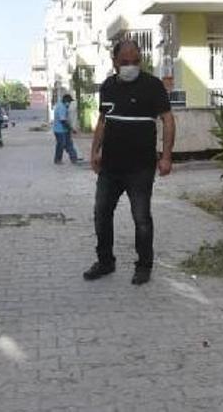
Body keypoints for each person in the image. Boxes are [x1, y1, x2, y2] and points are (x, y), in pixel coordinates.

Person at [84, 40, 176, 286]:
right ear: (115, 62)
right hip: (110, 167)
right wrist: (94, 151)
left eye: (135, 61)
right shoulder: (108, 87)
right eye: (125, 62)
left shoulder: (153, 86)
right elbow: (103, 121)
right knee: (101, 214)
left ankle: (144, 266)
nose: (131, 66)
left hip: (141, 168)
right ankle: (105, 262)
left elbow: (168, 120)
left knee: (141, 218)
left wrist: (167, 156)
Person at [53, 94, 82, 164]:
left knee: (69, 144)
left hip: (64, 130)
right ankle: (57, 160)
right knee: (61, 145)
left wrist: (70, 129)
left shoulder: (62, 105)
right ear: (65, 100)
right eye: (69, 101)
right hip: (60, 131)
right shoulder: (62, 107)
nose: (69, 103)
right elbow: (63, 121)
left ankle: (74, 158)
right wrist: (71, 129)